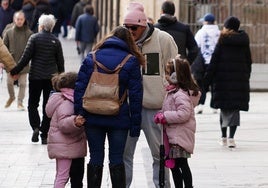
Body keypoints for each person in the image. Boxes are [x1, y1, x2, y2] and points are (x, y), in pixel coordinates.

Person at [74, 26, 144, 188]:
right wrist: (135, 125)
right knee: (117, 159)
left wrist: (79, 113)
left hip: (92, 116)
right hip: (119, 117)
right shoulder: (131, 61)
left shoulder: (91, 58)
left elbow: (79, 88)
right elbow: (135, 96)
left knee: (95, 158)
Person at [122, 2, 178, 188]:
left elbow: (174, 70)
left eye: (134, 27)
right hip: (128, 106)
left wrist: (167, 94)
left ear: (143, 25)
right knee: (124, 154)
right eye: (126, 27)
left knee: (159, 154)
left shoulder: (163, 39)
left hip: (154, 106)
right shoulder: (122, 41)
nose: (130, 31)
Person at [10, 14, 65, 145]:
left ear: (41, 26)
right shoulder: (56, 41)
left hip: (35, 77)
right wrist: (62, 79)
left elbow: (25, 58)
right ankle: (44, 134)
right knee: (48, 106)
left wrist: (15, 70)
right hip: (50, 79)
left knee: (33, 104)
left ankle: (35, 127)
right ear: (51, 27)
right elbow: (60, 63)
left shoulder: (34, 38)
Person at [203, 16, 252, 148]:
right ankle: (232, 138)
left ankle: (223, 137)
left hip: (222, 81)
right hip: (239, 81)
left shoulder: (222, 40)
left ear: (227, 27)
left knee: (224, 109)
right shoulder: (244, 42)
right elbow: (248, 62)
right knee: (235, 110)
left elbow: (213, 63)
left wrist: (206, 82)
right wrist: (245, 76)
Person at [154, 55, 201, 188]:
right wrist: (162, 114)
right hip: (174, 136)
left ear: (176, 76)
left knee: (181, 164)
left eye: (168, 73)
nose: (166, 76)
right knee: (174, 165)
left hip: (179, 137)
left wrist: (165, 116)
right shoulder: (174, 92)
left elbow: (184, 114)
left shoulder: (180, 94)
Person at [46, 72, 87, 188]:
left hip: (70, 146)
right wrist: (75, 121)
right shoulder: (67, 101)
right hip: (65, 147)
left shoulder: (65, 99)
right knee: (63, 176)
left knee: (70, 177)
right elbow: (63, 124)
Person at [3, 11, 33, 110]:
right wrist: (2, 62)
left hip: (23, 64)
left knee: (23, 84)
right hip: (10, 63)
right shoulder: (9, 32)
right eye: (17, 19)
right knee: (9, 83)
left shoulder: (29, 33)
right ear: (14, 20)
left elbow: (33, 48)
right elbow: (3, 48)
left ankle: (20, 102)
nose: (19, 21)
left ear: (24, 20)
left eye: (21, 19)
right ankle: (12, 97)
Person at [191, 13, 220, 114]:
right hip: (215, 62)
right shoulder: (219, 33)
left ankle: (200, 105)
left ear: (206, 22)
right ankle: (214, 107)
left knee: (202, 85)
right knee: (215, 85)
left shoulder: (200, 32)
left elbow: (195, 47)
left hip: (203, 62)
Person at [154, 0, 198, 65]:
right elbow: (194, 49)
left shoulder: (154, 29)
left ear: (162, 11)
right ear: (174, 12)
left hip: (159, 68)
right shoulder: (184, 28)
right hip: (178, 68)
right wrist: (186, 63)